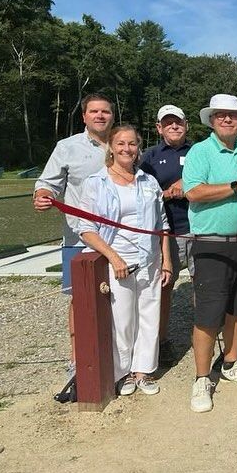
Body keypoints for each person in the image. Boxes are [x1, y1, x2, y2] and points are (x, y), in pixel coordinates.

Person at [183, 94, 237, 413]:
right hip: (212, 243)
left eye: (233, 115)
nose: (228, 119)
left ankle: (231, 364)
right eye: (221, 115)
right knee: (208, 314)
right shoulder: (201, 151)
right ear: (212, 120)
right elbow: (193, 191)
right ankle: (202, 378)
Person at [77, 125, 172, 396]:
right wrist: (113, 257)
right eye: (120, 144)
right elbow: (86, 228)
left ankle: (143, 370)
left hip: (150, 258)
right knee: (123, 319)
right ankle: (124, 372)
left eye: (131, 144)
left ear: (138, 147)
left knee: (149, 316)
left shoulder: (148, 181)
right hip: (118, 261)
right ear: (111, 147)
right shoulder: (97, 183)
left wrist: (166, 261)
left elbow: (161, 224)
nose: (126, 149)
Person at [33, 93, 115, 376]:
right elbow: (48, 183)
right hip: (79, 237)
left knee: (118, 296)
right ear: (84, 116)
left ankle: (115, 356)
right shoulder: (67, 147)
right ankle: (78, 359)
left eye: (105, 111)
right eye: (94, 111)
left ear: (112, 115)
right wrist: (43, 195)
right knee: (80, 300)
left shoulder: (122, 144)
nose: (100, 116)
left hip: (119, 238)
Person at [140, 104, 192, 367]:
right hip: (166, 232)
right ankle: (160, 341)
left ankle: (204, 335)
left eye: (178, 122)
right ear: (159, 128)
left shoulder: (198, 151)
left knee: (203, 286)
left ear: (186, 125)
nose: (174, 126)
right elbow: (141, 191)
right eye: (168, 122)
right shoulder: (149, 156)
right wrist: (165, 192)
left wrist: (188, 183)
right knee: (163, 287)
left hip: (197, 229)